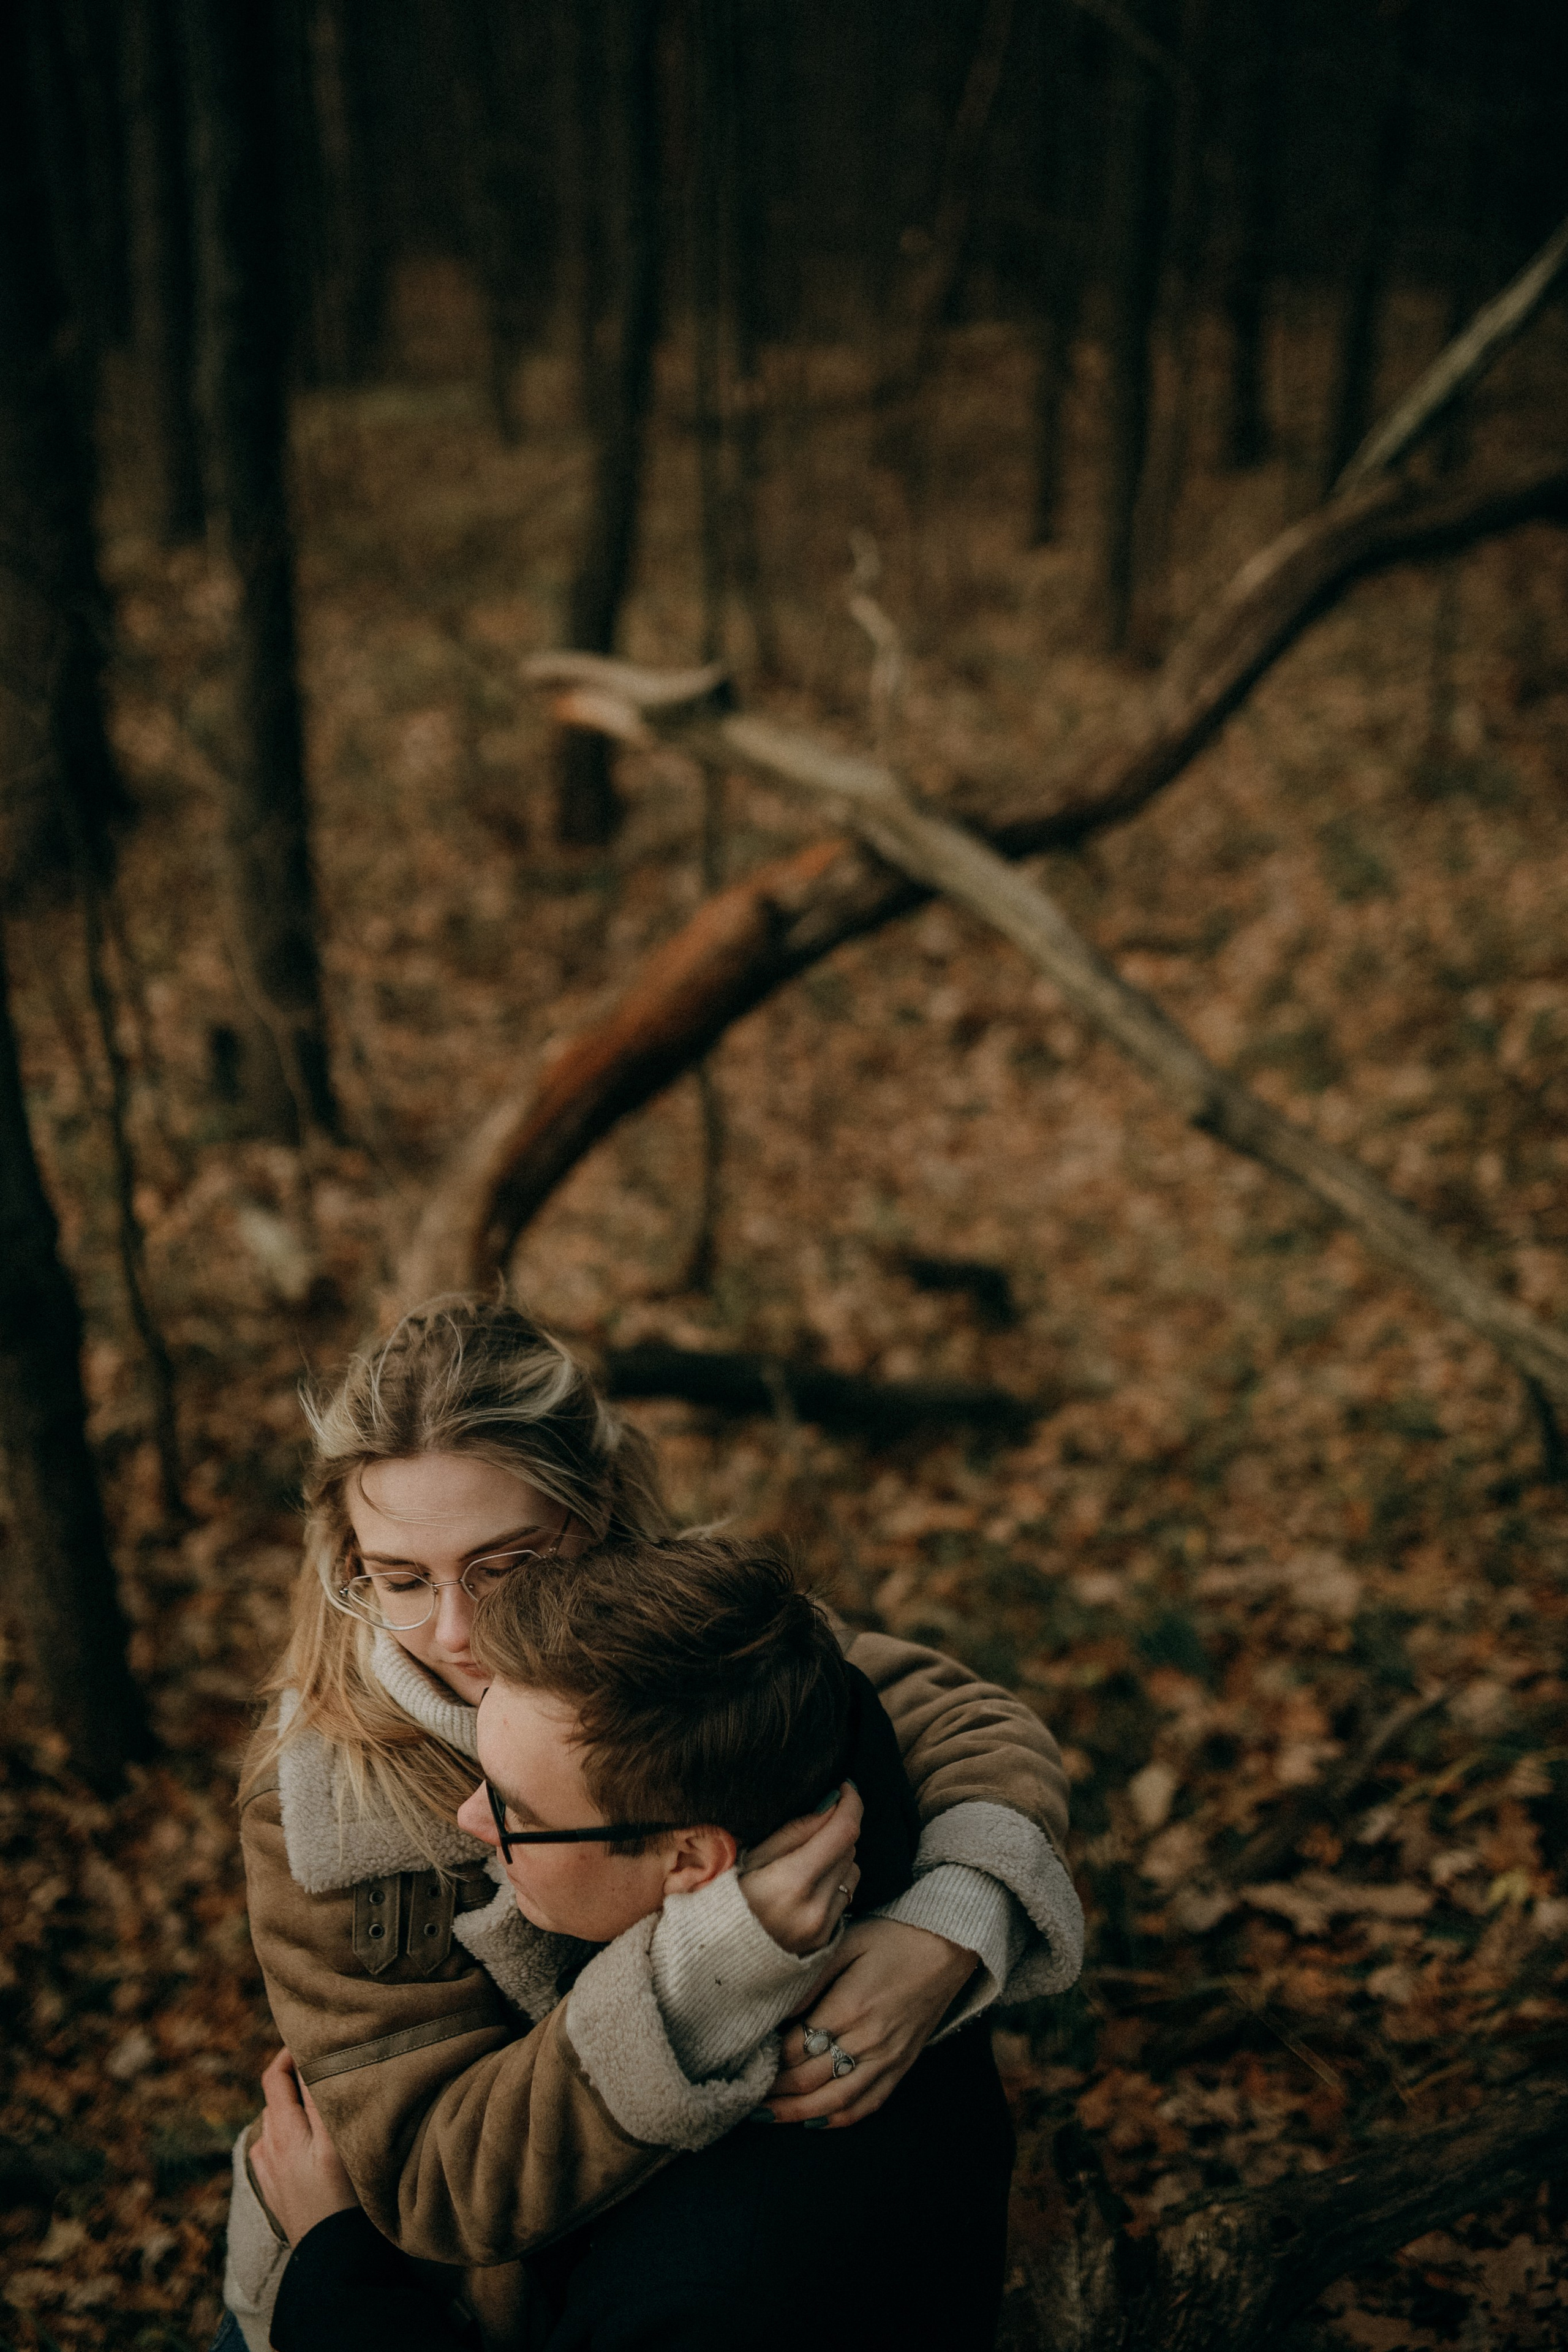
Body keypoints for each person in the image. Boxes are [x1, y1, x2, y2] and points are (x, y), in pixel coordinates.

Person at [219, 1297, 1082, 2348]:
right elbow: (432, 2182)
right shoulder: (321, 1812)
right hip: (406, 2312)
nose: (455, 1631)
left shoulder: (674, 1638)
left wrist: (946, 1927)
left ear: (599, 1516)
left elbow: (968, 1720)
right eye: (400, 1579)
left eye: (507, 1566)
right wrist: (702, 1977)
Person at [248, 1534, 1020, 2352]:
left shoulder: (707, 2296)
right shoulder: (796, 1729)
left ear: (689, 1859)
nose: (470, 1823)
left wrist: (335, 2269)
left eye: (514, 1809)